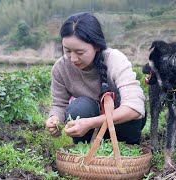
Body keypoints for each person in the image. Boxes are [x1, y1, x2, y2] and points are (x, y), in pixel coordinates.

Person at [45, 12, 146, 145]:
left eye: (80, 52)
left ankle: (125, 146)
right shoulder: (61, 68)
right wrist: (54, 118)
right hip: (87, 130)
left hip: (121, 126)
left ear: (97, 46)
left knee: (123, 107)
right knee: (80, 107)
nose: (73, 58)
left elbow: (135, 108)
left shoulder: (114, 59)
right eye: (67, 51)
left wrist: (90, 122)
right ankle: (84, 147)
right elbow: (59, 104)